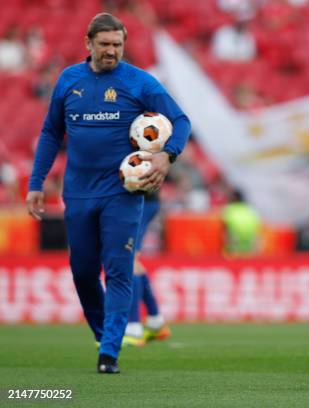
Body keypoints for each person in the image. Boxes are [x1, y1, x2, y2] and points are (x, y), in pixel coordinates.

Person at [26, 13, 191, 374]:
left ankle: (110, 352)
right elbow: (51, 133)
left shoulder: (139, 82)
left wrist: (167, 155)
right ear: (88, 44)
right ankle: (105, 336)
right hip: (79, 193)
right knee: (83, 272)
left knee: (117, 270)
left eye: (117, 45)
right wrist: (36, 183)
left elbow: (181, 121)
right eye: (105, 45)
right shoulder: (70, 80)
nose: (112, 51)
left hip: (123, 193)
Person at [123, 192, 171, 346]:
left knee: (130, 261)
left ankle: (134, 327)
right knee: (133, 262)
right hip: (145, 199)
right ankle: (155, 321)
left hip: (139, 200)